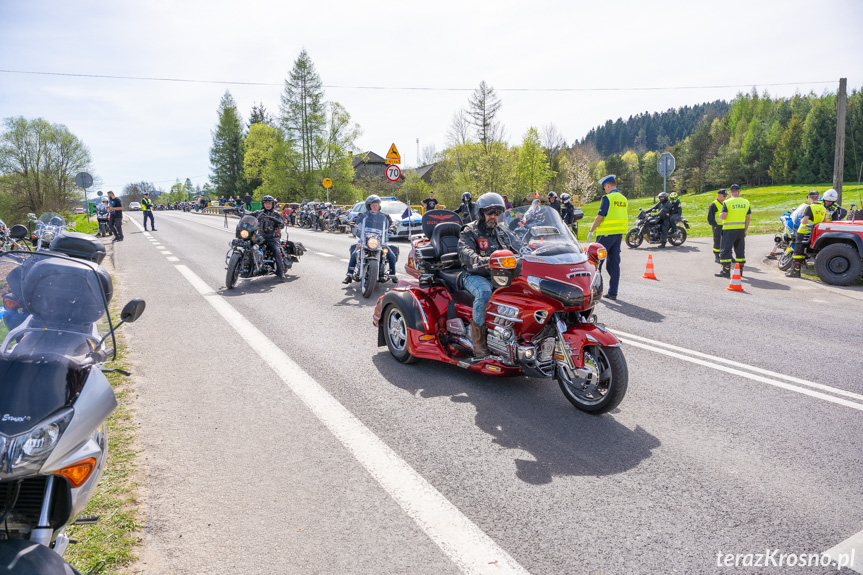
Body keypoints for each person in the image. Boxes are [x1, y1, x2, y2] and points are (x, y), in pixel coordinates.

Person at [457, 192, 516, 356]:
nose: (493, 216)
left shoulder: (502, 232)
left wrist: (532, 251)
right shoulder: (469, 230)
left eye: (496, 213)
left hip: (499, 275)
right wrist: (477, 258)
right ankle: (479, 342)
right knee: (484, 293)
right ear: (481, 213)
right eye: (490, 212)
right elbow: (464, 251)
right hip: (474, 275)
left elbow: (515, 249)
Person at [586, 175, 628, 300]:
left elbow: (600, 216)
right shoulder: (623, 199)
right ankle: (613, 292)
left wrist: (591, 230)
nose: (604, 189)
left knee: (594, 263)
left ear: (608, 185)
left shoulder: (608, 198)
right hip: (618, 235)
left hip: (605, 235)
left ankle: (592, 292)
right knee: (614, 264)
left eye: (604, 187)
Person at [786, 189, 842, 278]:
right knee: (802, 252)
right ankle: (796, 270)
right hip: (818, 231)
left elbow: (804, 220)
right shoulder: (822, 208)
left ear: (809, 198)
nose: (828, 203)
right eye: (827, 201)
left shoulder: (811, 207)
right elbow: (825, 221)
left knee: (798, 253)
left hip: (805, 232)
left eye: (830, 201)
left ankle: (795, 272)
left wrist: (802, 220)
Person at [343, 195, 398, 284]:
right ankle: (349, 274)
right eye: (373, 205)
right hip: (365, 240)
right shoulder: (363, 215)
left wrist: (392, 227)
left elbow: (390, 224)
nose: (375, 207)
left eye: (376, 205)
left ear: (379, 206)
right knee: (354, 254)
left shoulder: (385, 216)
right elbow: (356, 221)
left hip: (379, 241)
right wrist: (352, 223)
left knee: (391, 255)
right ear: (369, 206)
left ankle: (393, 274)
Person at [716, 184, 750, 278]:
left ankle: (726, 271)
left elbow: (723, 216)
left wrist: (720, 215)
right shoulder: (746, 202)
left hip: (729, 230)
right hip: (740, 230)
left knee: (726, 250)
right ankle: (740, 272)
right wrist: (745, 230)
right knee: (740, 251)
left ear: (730, 192)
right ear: (739, 191)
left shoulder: (727, 202)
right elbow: (748, 218)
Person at [253, 195, 287, 279]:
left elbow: (282, 224)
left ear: (272, 204)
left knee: (276, 250)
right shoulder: (259, 212)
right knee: (250, 245)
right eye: (266, 203)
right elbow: (248, 215)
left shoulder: (277, 214)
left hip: (273, 237)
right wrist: (239, 212)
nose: (267, 205)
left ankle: (281, 271)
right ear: (263, 204)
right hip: (260, 236)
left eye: (269, 203)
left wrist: (272, 218)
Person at [707, 189, 727, 263]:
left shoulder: (726, 203)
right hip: (717, 226)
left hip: (726, 226)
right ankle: (717, 256)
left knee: (727, 241)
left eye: (726, 196)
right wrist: (714, 225)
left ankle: (728, 255)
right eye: (723, 196)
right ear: (718, 195)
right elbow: (710, 217)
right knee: (717, 240)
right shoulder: (713, 204)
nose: (725, 197)